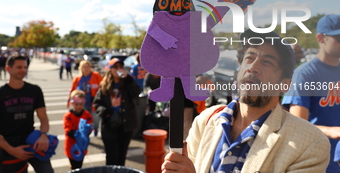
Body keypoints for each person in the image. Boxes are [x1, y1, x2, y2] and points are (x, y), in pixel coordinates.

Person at [162, 30, 330, 173]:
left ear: (284, 84)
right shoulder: (206, 120)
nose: (253, 67)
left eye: (266, 62)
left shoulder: (309, 144)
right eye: (249, 58)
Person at [282, 14, 340, 173]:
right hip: (321, 163)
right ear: (321, 38)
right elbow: (296, 124)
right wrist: (332, 131)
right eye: (339, 37)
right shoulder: (305, 74)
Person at [0, 54, 54, 173]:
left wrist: (44, 135)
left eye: (25, 67)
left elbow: (44, 118)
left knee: (47, 171)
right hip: (7, 142)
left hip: (30, 138)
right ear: (8, 69)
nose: (23, 70)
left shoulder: (34, 90)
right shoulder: (1, 93)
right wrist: (12, 150)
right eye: (19, 67)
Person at [93, 58, 140, 166]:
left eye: (120, 67)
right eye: (115, 67)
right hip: (110, 125)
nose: (119, 69)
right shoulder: (104, 85)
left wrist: (128, 78)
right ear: (110, 69)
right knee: (111, 157)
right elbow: (97, 103)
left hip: (125, 124)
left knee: (121, 156)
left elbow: (136, 93)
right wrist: (106, 114)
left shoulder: (128, 82)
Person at [68, 60, 102, 136]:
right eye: (84, 67)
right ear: (81, 68)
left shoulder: (96, 76)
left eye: (88, 67)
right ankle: (85, 133)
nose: (86, 68)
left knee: (95, 118)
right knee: (83, 119)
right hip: (82, 103)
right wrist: (69, 101)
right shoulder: (77, 78)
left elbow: (103, 86)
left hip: (94, 102)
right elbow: (72, 90)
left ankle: (95, 128)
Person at [63, 90, 93, 171]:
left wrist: (88, 130)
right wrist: (77, 134)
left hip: (82, 145)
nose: (79, 107)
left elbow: (90, 126)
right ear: (72, 103)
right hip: (71, 145)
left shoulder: (87, 115)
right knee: (74, 165)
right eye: (76, 104)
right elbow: (68, 129)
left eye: (81, 104)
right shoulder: (68, 116)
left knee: (79, 165)